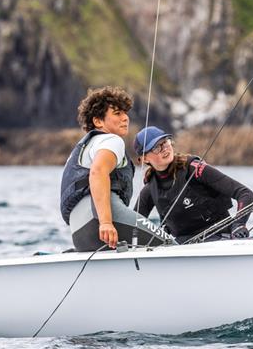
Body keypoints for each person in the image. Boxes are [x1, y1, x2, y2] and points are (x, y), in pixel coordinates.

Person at [60, 87, 175, 251]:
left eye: (125, 113)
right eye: (117, 113)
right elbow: (97, 173)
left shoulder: (82, 148)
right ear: (98, 121)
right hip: (102, 222)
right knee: (171, 246)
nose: (125, 118)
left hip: (80, 233)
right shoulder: (112, 141)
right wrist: (106, 222)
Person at [134, 126, 253, 244]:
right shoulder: (150, 188)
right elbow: (134, 224)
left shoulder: (195, 169)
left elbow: (245, 193)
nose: (165, 149)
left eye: (165, 143)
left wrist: (239, 224)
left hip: (220, 239)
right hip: (183, 247)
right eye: (156, 148)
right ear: (144, 159)